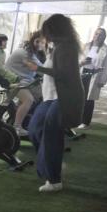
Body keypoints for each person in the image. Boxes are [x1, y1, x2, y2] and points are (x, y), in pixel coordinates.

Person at [25, 14, 84, 192]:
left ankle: (54, 179)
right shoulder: (58, 46)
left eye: (47, 31)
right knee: (34, 129)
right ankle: (52, 165)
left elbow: (63, 74)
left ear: (55, 30)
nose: (45, 35)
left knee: (51, 135)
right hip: (50, 97)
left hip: (63, 98)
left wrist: (38, 68)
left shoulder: (66, 47)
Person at [5, 31, 46, 136]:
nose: (40, 44)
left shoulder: (31, 52)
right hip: (14, 82)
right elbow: (40, 69)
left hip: (24, 81)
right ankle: (17, 127)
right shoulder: (25, 53)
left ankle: (22, 122)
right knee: (28, 100)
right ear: (33, 40)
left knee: (40, 96)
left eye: (42, 42)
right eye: (38, 41)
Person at [79, 27, 107, 129]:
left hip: (94, 76)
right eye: (96, 34)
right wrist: (82, 62)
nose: (97, 36)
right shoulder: (85, 46)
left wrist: (103, 80)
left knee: (89, 99)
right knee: (79, 97)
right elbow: (78, 59)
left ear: (104, 37)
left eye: (100, 35)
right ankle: (76, 119)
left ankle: (85, 122)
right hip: (82, 73)